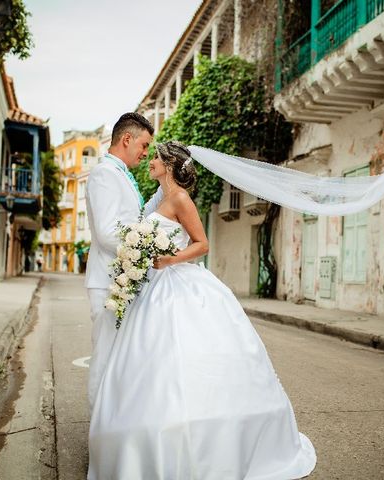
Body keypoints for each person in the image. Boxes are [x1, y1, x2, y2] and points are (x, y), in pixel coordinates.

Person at [88, 141, 316, 479]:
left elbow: (202, 244)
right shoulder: (162, 199)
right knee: (149, 363)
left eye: (155, 158)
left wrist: (168, 259)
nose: (150, 161)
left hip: (178, 282)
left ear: (169, 164)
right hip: (154, 286)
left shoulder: (180, 198)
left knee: (187, 356)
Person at [85, 113, 163, 409]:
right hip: (108, 281)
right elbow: (107, 233)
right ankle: (98, 434)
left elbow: (135, 218)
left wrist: (167, 187)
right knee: (105, 358)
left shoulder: (121, 175)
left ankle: (113, 425)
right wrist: (146, 247)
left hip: (123, 277)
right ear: (127, 139)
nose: (145, 153)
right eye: (144, 145)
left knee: (121, 361)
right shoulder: (104, 174)